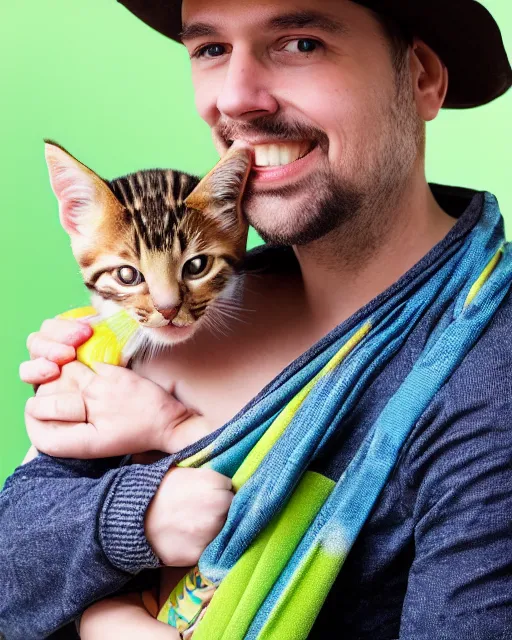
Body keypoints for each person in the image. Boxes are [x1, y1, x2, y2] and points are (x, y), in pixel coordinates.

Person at [1, 0, 512, 638]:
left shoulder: (488, 376)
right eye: (211, 49)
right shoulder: (176, 319)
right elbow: (9, 567)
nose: (237, 100)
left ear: (422, 79)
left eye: (300, 43)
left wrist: (102, 617)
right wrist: (132, 521)